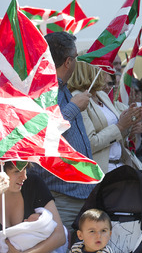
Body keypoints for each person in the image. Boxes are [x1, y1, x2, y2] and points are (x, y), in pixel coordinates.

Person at [32, 31, 94, 232]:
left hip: (77, 194)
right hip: (61, 196)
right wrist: (74, 107)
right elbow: (42, 132)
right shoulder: (43, 90)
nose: (76, 62)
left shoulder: (62, 88)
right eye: (75, 57)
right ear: (68, 62)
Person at [68, 59, 142, 173]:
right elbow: (90, 143)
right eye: (101, 68)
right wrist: (120, 126)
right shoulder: (77, 98)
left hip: (121, 164)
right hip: (101, 171)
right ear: (90, 71)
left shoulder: (102, 95)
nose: (105, 71)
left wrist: (129, 122)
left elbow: (118, 137)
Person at [0, 162, 66, 252]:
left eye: (25, 169)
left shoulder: (33, 183)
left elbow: (60, 236)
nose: (24, 177)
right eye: (16, 171)